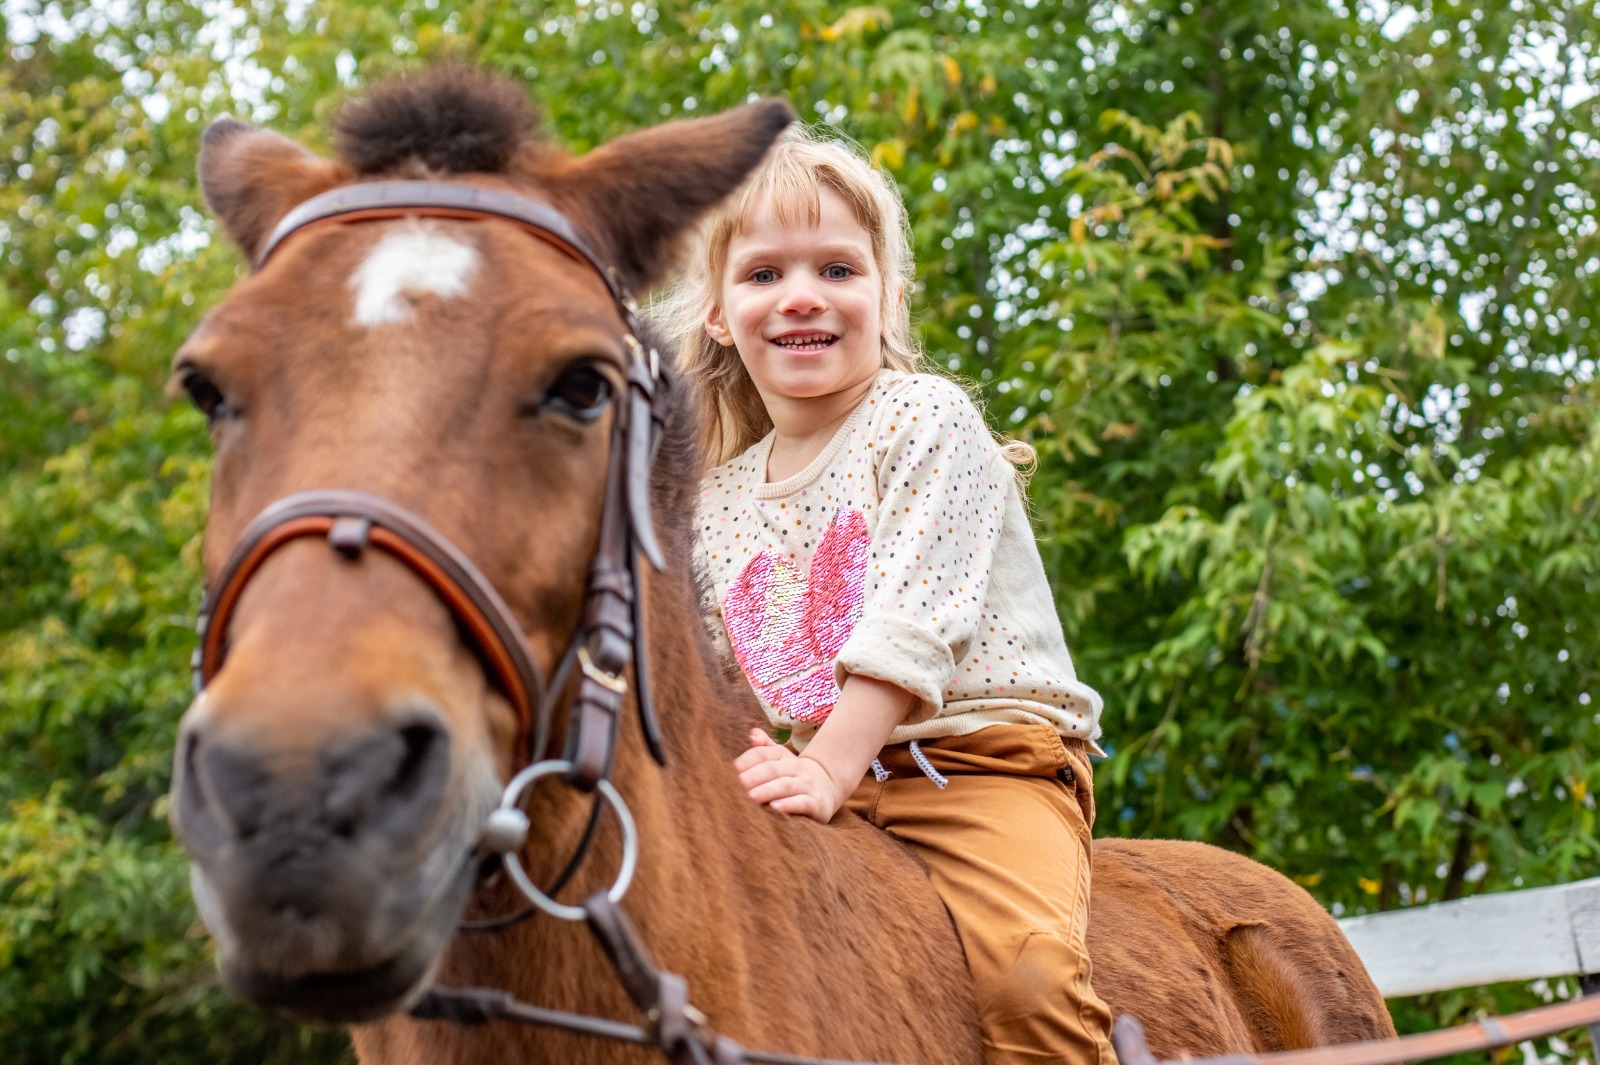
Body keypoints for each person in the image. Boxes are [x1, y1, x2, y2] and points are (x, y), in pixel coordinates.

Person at [668, 127, 1115, 1065]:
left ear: (888, 297)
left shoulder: (923, 419)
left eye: (837, 267)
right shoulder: (714, 500)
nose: (802, 296)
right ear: (717, 314)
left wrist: (827, 769)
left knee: (1029, 980)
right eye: (762, 275)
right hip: (820, 773)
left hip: (979, 766)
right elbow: (712, 682)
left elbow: (914, 624)